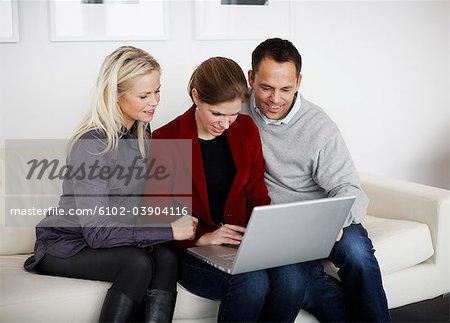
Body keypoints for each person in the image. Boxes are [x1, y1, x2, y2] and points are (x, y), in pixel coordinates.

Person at [24, 46, 198, 323]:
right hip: (67, 244)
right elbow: (97, 233)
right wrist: (166, 229)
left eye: (157, 91)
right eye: (144, 95)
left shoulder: (141, 131)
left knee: (166, 255)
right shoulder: (92, 145)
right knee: (137, 262)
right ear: (116, 95)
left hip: (104, 240)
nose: (154, 102)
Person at [150, 57, 315, 322]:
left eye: (233, 114)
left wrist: (264, 234)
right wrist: (203, 237)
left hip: (243, 243)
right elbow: (159, 214)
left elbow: (257, 193)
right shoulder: (165, 139)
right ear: (196, 97)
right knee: (253, 284)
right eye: (217, 113)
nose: (225, 124)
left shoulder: (246, 129)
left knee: (293, 278)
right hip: (192, 252)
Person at [242, 37, 391, 322]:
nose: (275, 99)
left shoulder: (318, 125)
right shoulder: (236, 113)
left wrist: (334, 221)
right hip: (279, 225)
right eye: (266, 88)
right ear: (251, 78)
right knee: (299, 282)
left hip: (325, 216)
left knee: (357, 253)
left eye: (286, 89)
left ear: (298, 81)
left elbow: (348, 187)